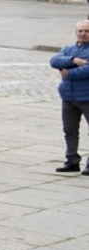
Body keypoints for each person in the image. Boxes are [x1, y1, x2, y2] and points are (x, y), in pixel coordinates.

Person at [52, 20, 89, 174]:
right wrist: (73, 61)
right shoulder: (69, 49)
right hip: (68, 96)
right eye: (80, 31)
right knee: (70, 130)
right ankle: (72, 160)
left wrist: (69, 72)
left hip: (87, 96)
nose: (83, 34)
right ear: (75, 33)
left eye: (86, 31)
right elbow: (54, 61)